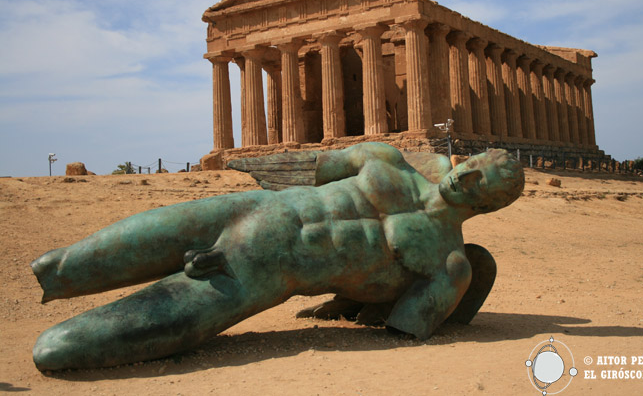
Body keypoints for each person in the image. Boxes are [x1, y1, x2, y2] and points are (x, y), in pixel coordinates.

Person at [31, 142, 524, 370]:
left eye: (485, 184)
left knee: (58, 349)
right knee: (61, 266)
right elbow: (308, 167)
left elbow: (403, 323)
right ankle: (54, 277)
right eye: (475, 165)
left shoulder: (449, 264)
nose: (468, 177)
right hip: (248, 208)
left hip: (262, 275)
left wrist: (354, 296)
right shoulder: (389, 160)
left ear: (492, 205)